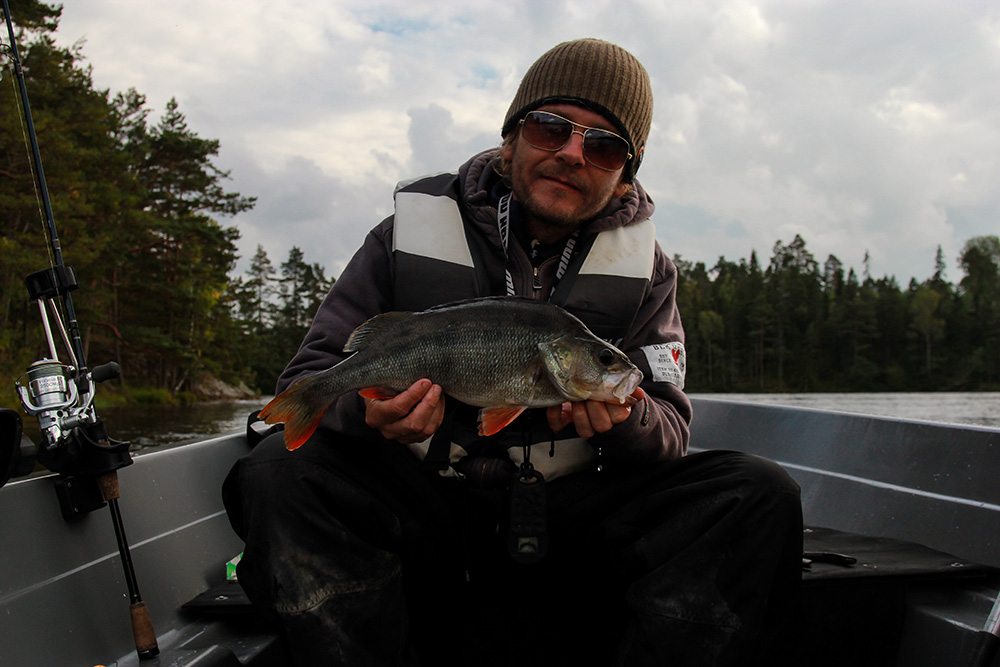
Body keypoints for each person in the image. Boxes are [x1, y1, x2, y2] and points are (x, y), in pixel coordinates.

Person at [223, 38, 803, 666]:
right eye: (551, 127)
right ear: (511, 139)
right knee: (276, 472)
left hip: (573, 521)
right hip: (425, 504)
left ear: (624, 175)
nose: (572, 154)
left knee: (758, 493)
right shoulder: (404, 236)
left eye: (604, 145)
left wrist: (626, 420)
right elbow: (312, 376)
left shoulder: (648, 272)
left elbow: (668, 429)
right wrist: (368, 416)